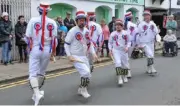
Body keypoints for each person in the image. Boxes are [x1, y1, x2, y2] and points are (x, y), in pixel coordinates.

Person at [25, 3, 57, 106]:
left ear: (38, 10)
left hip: (35, 48)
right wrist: (52, 53)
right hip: (47, 50)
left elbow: (28, 37)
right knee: (41, 72)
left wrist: (29, 48)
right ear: (48, 11)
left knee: (33, 73)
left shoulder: (32, 20)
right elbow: (54, 40)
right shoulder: (52, 22)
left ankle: (36, 93)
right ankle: (36, 93)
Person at [64, 11, 98, 98]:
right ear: (76, 21)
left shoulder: (87, 31)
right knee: (85, 72)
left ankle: (80, 89)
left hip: (84, 56)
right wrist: (69, 55)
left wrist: (93, 54)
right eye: (80, 20)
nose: (82, 22)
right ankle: (83, 90)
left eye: (83, 20)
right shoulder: (72, 31)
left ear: (85, 21)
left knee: (88, 75)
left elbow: (89, 44)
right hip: (75, 56)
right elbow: (66, 44)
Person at [108, 19, 131, 86]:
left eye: (119, 25)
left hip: (124, 51)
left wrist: (127, 47)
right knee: (118, 63)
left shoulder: (126, 33)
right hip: (116, 50)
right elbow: (110, 43)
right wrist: (110, 50)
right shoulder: (113, 34)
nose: (118, 26)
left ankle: (124, 76)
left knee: (125, 65)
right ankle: (119, 78)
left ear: (122, 26)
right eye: (116, 25)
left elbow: (129, 41)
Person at [137, 10, 159, 75]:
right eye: (145, 15)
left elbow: (156, 32)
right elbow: (138, 34)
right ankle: (152, 68)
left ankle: (148, 68)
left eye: (148, 15)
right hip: (144, 43)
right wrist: (139, 44)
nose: (146, 16)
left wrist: (157, 39)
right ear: (143, 16)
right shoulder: (141, 24)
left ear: (150, 16)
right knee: (150, 55)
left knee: (150, 56)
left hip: (151, 42)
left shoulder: (153, 24)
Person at [124, 12, 138, 79]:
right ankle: (127, 72)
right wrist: (136, 44)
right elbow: (136, 35)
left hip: (124, 43)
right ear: (131, 18)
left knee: (125, 57)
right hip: (132, 43)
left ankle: (127, 72)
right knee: (127, 57)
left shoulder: (123, 25)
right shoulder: (134, 25)